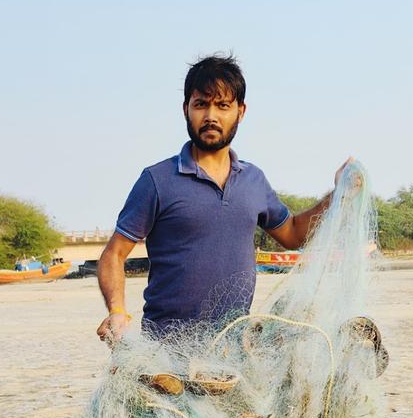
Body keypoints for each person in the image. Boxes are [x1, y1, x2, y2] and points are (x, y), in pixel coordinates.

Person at [96, 53, 350, 344]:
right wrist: (117, 311)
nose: (211, 116)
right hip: (165, 352)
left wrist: (338, 196)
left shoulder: (254, 180)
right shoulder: (157, 180)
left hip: (234, 351)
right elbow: (113, 255)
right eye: (201, 104)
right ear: (186, 110)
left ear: (240, 111)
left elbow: (292, 234)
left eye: (223, 105)